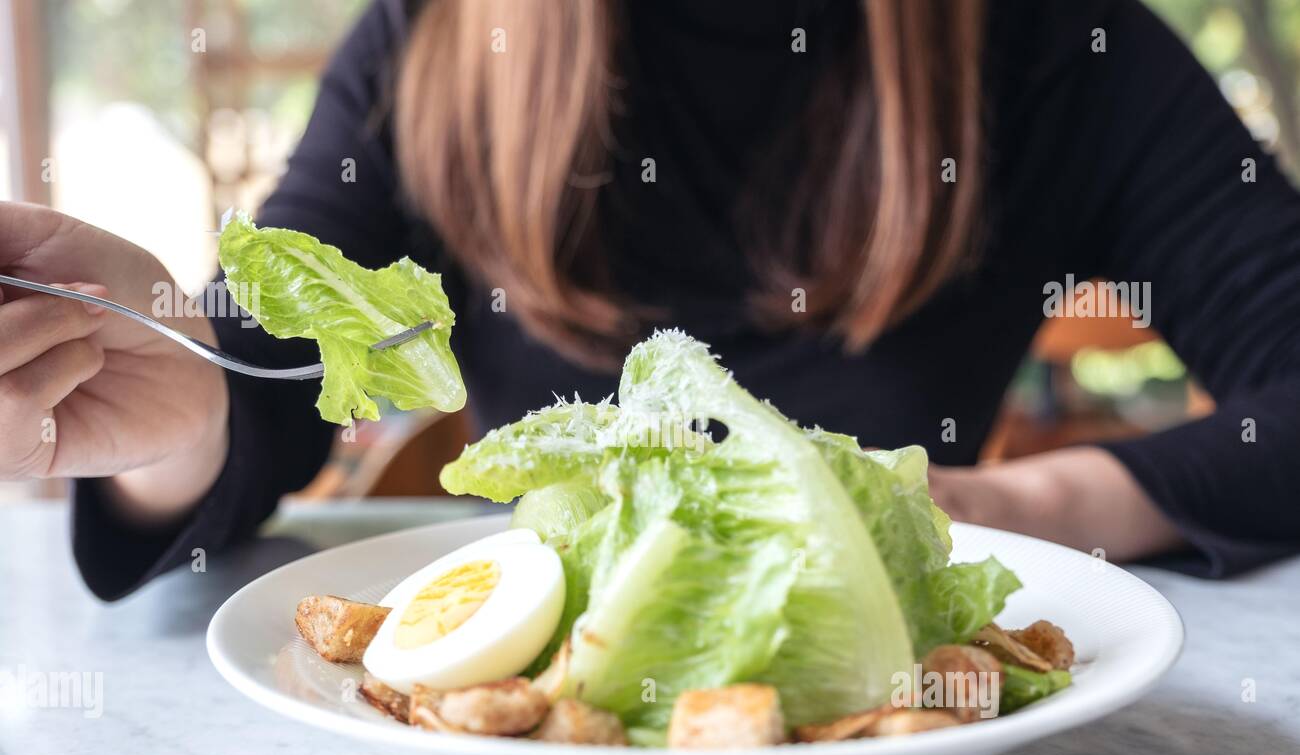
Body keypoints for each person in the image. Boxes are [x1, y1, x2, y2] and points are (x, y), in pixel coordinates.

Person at [2, 0, 1298, 601]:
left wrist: (1027, 502)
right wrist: (173, 409)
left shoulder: (1058, 43)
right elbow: (262, 383)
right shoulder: (441, 40)